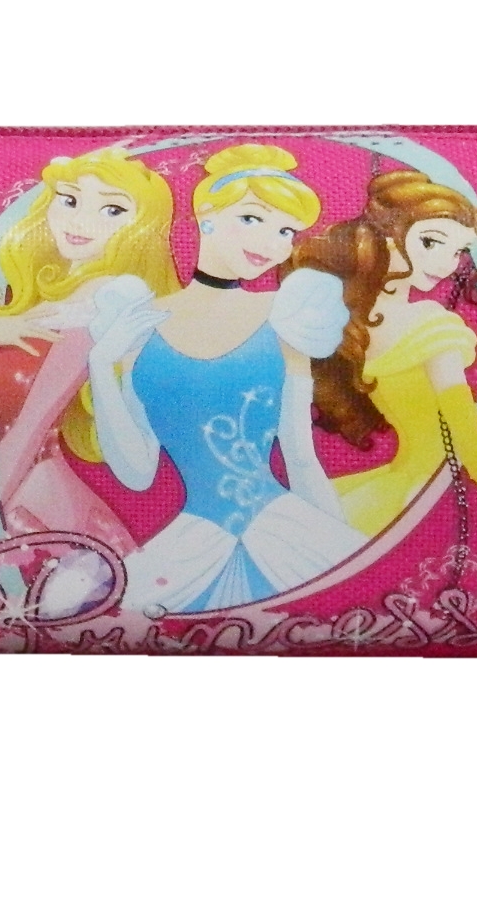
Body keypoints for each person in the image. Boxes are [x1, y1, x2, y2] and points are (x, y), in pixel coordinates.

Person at [85, 143, 364, 613]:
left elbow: (300, 456)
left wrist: (339, 552)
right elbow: (136, 473)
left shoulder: (284, 316)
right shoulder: (139, 323)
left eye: (285, 231)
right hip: (194, 542)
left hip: (283, 526)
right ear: (206, 215)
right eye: (252, 218)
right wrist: (100, 364)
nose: (270, 243)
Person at [0, 145, 176, 609]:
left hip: (34, 495)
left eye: (112, 210)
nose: (81, 221)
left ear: (142, 228)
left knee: (69, 610)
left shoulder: (104, 309)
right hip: (15, 488)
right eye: (70, 200)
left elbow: (35, 420)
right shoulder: (32, 305)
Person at [293, 168, 477, 590]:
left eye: (457, 252)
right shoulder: (424, 322)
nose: (446, 264)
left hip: (402, 486)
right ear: (385, 235)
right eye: (431, 243)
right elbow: (468, 436)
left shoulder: (354, 325)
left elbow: (463, 433)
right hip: (426, 489)